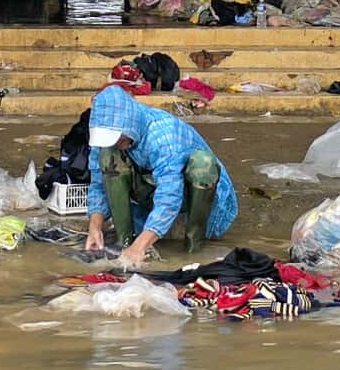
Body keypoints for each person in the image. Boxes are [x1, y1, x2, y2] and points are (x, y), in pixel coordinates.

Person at [82, 83, 237, 267]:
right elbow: (98, 181)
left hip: (192, 195)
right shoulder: (107, 135)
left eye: (118, 139)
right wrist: (95, 227)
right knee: (107, 155)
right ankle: (124, 241)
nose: (116, 143)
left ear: (128, 127)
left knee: (202, 165)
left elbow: (170, 196)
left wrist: (141, 246)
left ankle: (193, 243)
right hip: (151, 190)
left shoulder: (162, 135)